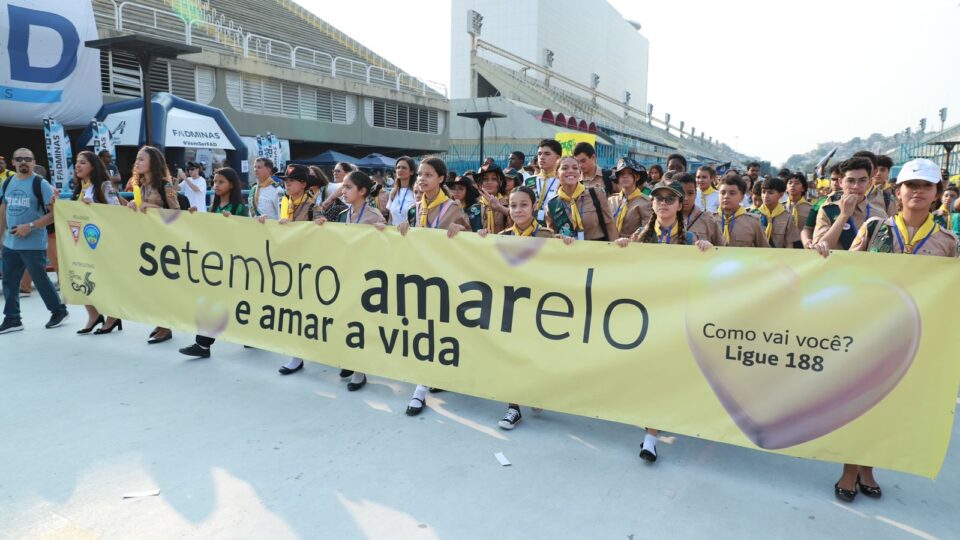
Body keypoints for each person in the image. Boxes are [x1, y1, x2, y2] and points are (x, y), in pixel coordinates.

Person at [819, 159, 956, 502]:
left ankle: (870, 467)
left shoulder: (947, 242)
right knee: (860, 402)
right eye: (911, 186)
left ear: (938, 194)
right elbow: (846, 266)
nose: (918, 192)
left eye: (926, 186)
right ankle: (850, 469)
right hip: (869, 332)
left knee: (890, 405)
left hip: (913, 335)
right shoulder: (875, 228)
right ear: (898, 191)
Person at [616, 181, 713, 462]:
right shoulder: (641, 235)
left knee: (661, 375)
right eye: (658, 199)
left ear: (680, 204)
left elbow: (706, 273)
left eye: (670, 199)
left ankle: (650, 438)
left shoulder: (691, 237)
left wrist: (706, 249)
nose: (663, 203)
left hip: (675, 318)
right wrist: (622, 246)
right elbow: (622, 266)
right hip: (643, 314)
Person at [476, 185, 555, 429]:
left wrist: (569, 244)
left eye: (523, 205)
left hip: (539, 309)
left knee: (535, 355)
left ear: (534, 207)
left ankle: (534, 392)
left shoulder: (547, 236)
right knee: (510, 356)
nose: (517, 210)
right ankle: (513, 407)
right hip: (510, 309)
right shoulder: (502, 237)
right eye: (512, 205)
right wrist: (478, 242)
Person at [398, 156, 469, 416]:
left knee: (441, 330)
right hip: (421, 278)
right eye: (420, 175)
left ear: (441, 178)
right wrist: (402, 229)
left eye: (428, 175)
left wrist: (461, 231)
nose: (422, 179)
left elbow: (473, 242)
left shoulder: (453, 208)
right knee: (425, 331)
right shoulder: (414, 208)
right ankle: (421, 387)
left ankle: (426, 383)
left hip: (446, 280)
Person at [313, 170, 387, 390]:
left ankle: (360, 369)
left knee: (359, 323)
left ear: (362, 190)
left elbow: (385, 247)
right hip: (343, 275)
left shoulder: (374, 216)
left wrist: (385, 232)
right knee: (343, 319)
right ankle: (348, 359)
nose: (342, 191)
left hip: (365, 279)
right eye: (342, 187)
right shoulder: (341, 213)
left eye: (347, 187)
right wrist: (321, 226)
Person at [178, 167, 250, 358]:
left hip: (234, 264)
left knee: (238, 302)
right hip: (217, 264)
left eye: (221, 182)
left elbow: (248, 236)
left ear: (231, 185)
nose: (216, 186)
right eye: (215, 182)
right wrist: (195, 218)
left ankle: (251, 334)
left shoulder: (239, 209)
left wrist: (233, 223)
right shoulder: (214, 206)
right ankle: (202, 345)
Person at [0, 148, 69, 334]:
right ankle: (12, 319)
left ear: (33, 162)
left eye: (27, 159)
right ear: (13, 162)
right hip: (10, 243)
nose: (23, 162)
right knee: (9, 281)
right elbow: (3, 211)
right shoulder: (7, 182)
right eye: (19, 159)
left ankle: (58, 311)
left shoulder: (41, 184)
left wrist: (29, 226)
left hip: (33, 243)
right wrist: (1, 237)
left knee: (40, 280)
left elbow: (54, 214)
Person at [126, 146, 181, 344]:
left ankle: (166, 326)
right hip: (148, 241)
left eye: (142, 159)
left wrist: (153, 207)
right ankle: (160, 322)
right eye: (137, 159)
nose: (137, 162)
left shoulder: (165, 185)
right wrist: (133, 205)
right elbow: (142, 209)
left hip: (164, 242)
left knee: (163, 285)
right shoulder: (141, 185)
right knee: (152, 285)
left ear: (153, 163)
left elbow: (176, 212)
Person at [70, 151, 122, 334]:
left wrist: (95, 208)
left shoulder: (104, 185)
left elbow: (116, 211)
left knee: (106, 281)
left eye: (82, 162)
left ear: (93, 165)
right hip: (83, 245)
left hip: (104, 243)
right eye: (76, 162)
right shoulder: (80, 188)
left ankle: (113, 316)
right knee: (79, 279)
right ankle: (93, 315)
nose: (78, 165)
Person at [811, 157, 888, 252]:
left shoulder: (880, 214)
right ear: (840, 182)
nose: (856, 186)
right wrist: (844, 215)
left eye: (862, 180)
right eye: (850, 181)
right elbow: (820, 248)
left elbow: (884, 251)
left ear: (869, 182)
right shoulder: (828, 210)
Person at [546, 156, 618, 241]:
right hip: (569, 251)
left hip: (596, 250)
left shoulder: (596, 194)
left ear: (579, 173)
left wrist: (615, 250)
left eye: (575, 168)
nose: (570, 171)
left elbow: (609, 224)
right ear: (557, 174)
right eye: (565, 168)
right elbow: (552, 236)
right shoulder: (552, 204)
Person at [716, 175, 769, 247]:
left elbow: (765, 250)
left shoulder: (753, 222)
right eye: (722, 193)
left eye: (732, 193)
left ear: (742, 197)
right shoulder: (709, 220)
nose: (726, 196)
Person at [608, 157, 652, 238]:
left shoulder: (645, 202)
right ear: (618, 178)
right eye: (621, 174)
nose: (625, 176)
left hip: (632, 246)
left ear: (637, 177)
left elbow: (647, 230)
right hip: (611, 245)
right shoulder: (611, 201)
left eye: (629, 173)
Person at [751, 177, 801, 248]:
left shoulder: (787, 217)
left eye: (770, 193)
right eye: (763, 192)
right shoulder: (753, 215)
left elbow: (789, 243)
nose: (766, 196)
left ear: (781, 195)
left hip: (778, 256)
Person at [802, 164, 843, 248]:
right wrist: (806, 240)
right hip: (825, 253)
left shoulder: (859, 201)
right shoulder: (821, 202)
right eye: (833, 179)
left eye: (840, 180)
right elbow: (807, 228)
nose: (836, 183)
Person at [524, 139, 562, 225]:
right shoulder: (529, 181)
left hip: (555, 227)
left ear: (558, 158)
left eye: (547, 154)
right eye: (539, 154)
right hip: (532, 227)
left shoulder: (562, 181)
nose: (541, 157)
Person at [678, 173, 723, 245]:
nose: (685, 198)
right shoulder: (665, 218)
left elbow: (720, 248)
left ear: (696, 194)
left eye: (690, 193)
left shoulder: (708, 220)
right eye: (681, 193)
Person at [477, 163, 510, 233]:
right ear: (479, 184)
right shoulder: (474, 205)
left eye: (494, 179)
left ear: (500, 183)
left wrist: (501, 208)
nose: (489, 182)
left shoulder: (509, 203)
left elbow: (516, 226)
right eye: (485, 179)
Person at [387, 156, 416, 225]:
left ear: (411, 172)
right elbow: (390, 219)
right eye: (398, 167)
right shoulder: (393, 192)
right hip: (394, 234)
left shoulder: (416, 192)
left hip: (411, 233)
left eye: (404, 168)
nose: (400, 170)